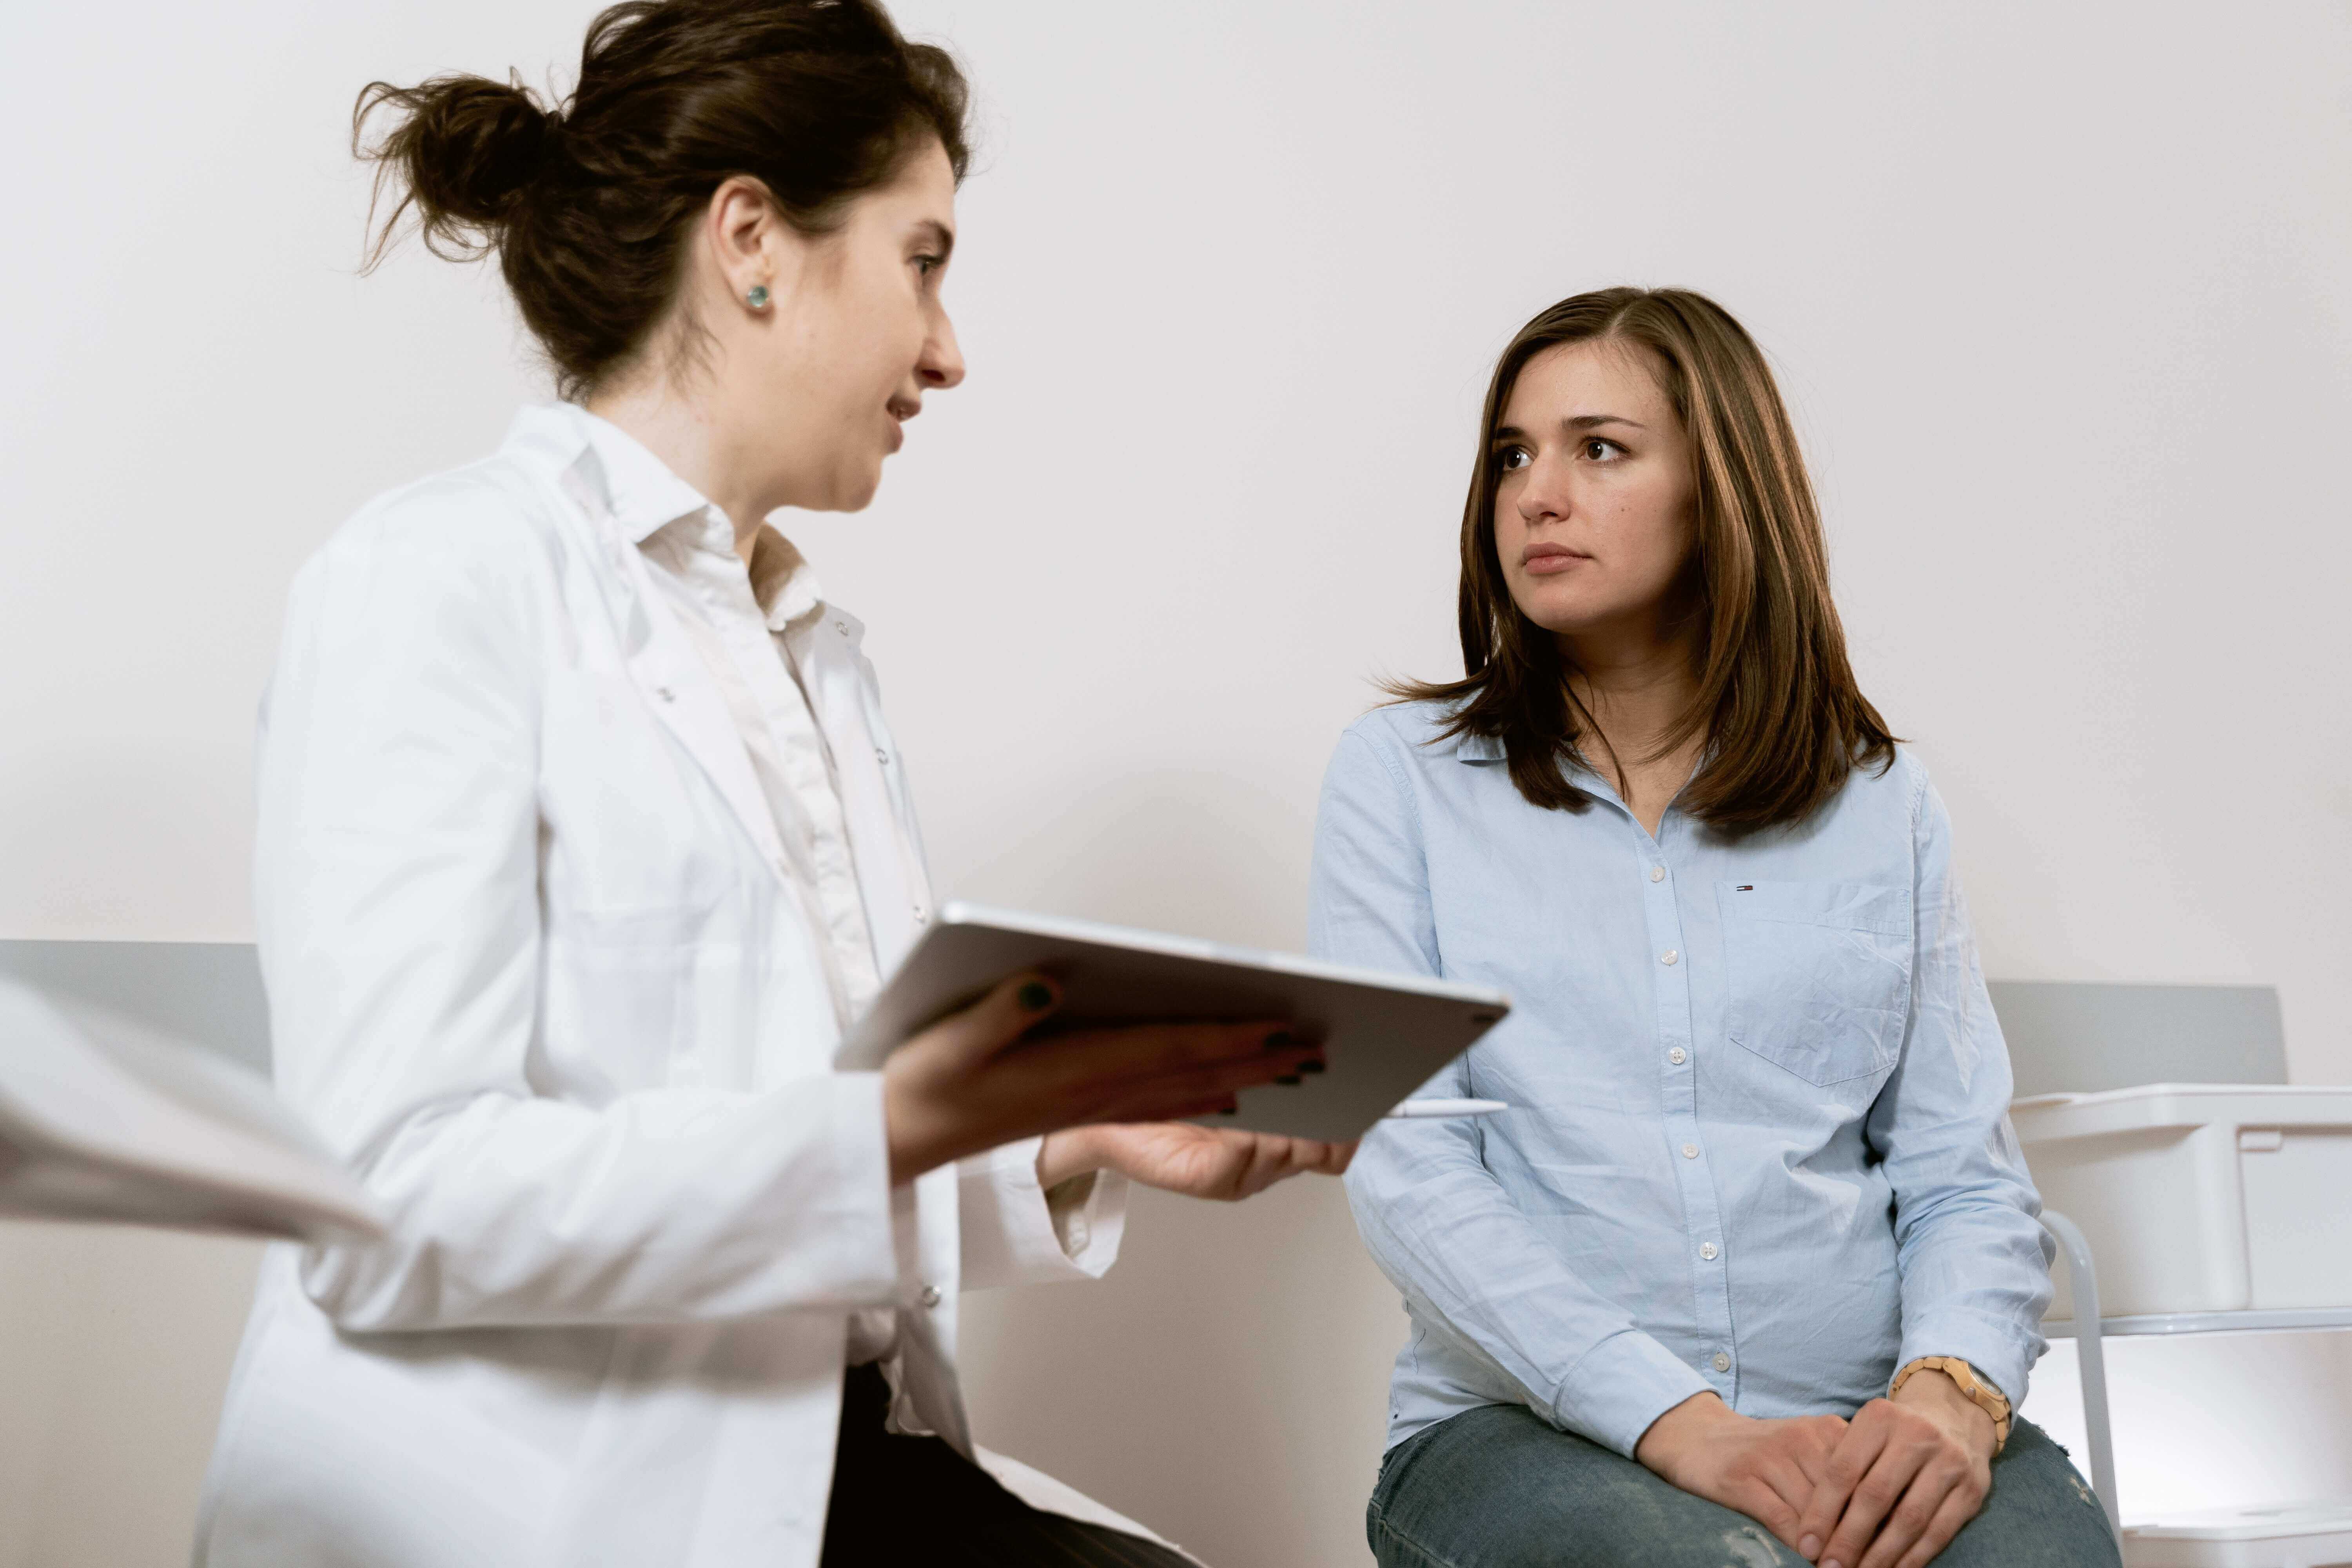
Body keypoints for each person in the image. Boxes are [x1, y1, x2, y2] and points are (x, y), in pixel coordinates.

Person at [193, 4, 1348, 1564]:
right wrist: (889, 1119)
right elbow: (394, 1197)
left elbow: (812, 1166)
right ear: (754, 240)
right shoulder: (436, 580)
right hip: (539, 1506)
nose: (949, 348)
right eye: (922, 260)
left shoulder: (809, 649)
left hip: (826, 1466)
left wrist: (1077, 1129)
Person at [1311, 287, 2118, 1568]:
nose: (1536, 492)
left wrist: (1952, 1394)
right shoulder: (1401, 779)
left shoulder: (1880, 801)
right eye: (1512, 454)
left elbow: (1960, 1173)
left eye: (1600, 448)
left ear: (1723, 490)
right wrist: (1680, 1425)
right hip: (1523, 1434)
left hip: (1867, 1413)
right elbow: (1408, 1172)